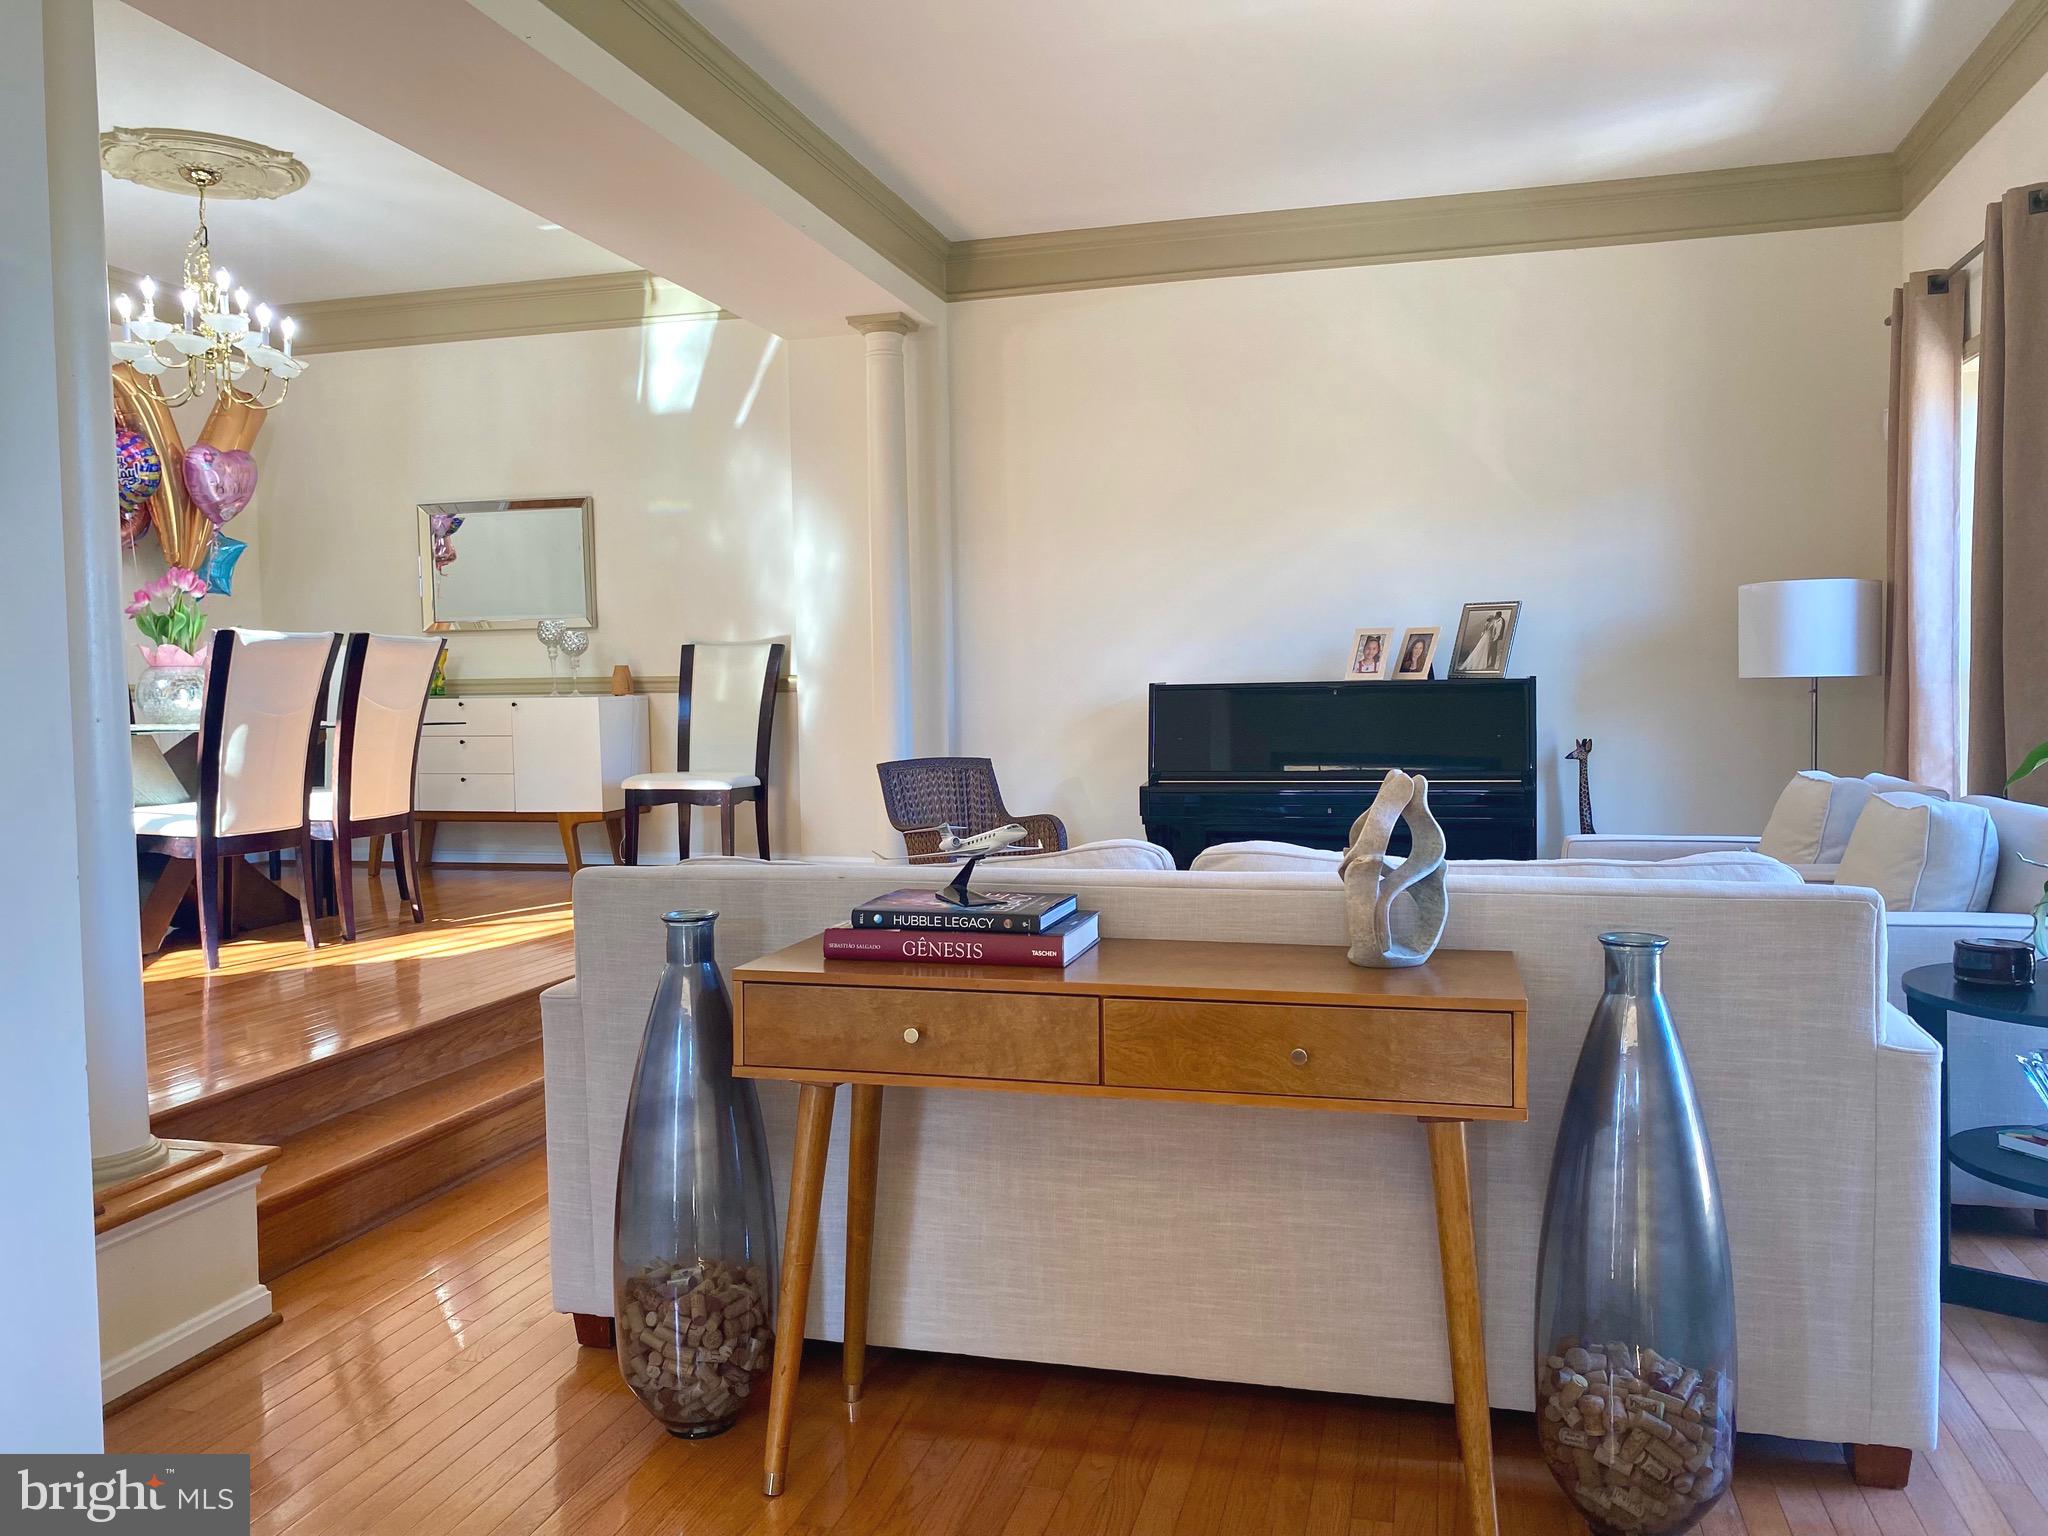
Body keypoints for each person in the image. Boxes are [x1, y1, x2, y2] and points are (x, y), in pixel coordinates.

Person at [1457, 609, 1508, 673]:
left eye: (1495, 616)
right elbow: (1493, 631)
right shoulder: (1493, 623)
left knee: (1483, 649)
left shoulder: (1487, 623)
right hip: (1488, 637)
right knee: (1486, 650)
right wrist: (1492, 638)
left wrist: (1485, 636)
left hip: (1485, 637)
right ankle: (1486, 663)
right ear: (1491, 619)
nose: (1494, 617)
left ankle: (1489, 663)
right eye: (1493, 617)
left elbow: (1485, 631)